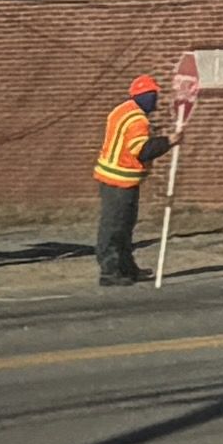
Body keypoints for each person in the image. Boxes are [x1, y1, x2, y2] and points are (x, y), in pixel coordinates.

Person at [92, 71, 166, 286]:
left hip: (115, 176)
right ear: (146, 96)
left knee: (123, 226)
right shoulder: (138, 120)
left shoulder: (122, 110)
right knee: (116, 227)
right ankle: (110, 271)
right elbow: (141, 150)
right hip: (120, 179)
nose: (156, 100)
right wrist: (169, 141)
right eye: (154, 95)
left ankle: (126, 267)